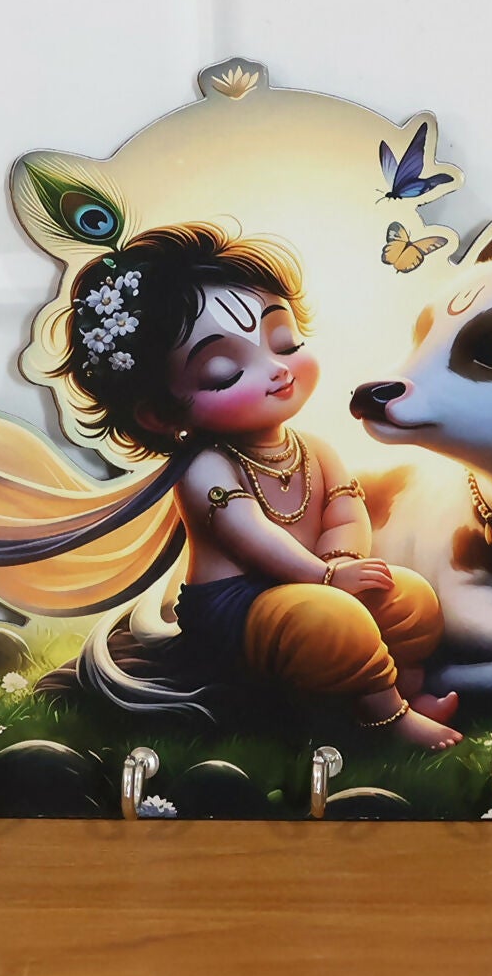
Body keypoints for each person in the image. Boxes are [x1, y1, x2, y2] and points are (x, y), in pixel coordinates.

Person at [58, 224, 461, 750]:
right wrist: (324, 578)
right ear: (159, 412)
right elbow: (249, 533)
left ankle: (405, 691)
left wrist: (341, 562)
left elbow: (346, 510)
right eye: (225, 371)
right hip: (239, 607)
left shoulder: (315, 448)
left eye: (285, 342)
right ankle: (386, 720)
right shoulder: (206, 466)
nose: (276, 369)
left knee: (407, 596)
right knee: (331, 619)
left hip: (318, 580)